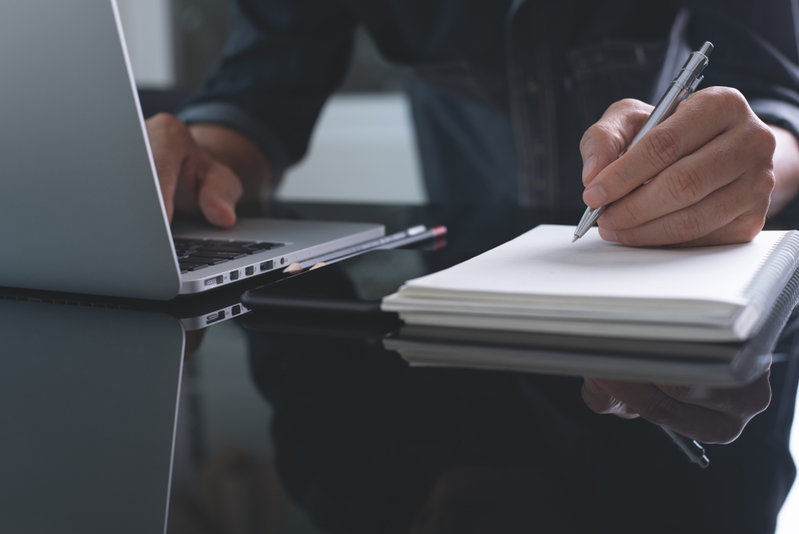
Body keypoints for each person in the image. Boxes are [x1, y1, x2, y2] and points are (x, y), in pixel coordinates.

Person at [146, 1, 799, 445]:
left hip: (686, 293)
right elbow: (259, 92)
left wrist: (752, 159)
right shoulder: (349, 482)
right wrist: (196, 161)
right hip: (460, 306)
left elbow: (776, 98)